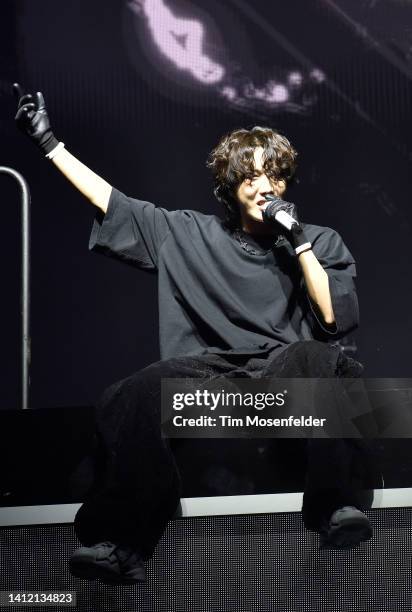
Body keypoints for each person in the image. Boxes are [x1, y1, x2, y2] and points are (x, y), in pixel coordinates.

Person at [14, 83, 375, 585]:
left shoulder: (318, 240)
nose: (264, 185)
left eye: (274, 175)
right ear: (230, 187)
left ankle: (336, 510)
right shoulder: (186, 233)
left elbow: (334, 317)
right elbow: (111, 201)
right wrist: (49, 143)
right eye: (250, 176)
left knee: (320, 357)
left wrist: (298, 241)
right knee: (136, 391)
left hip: (282, 376)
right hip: (208, 380)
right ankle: (123, 545)